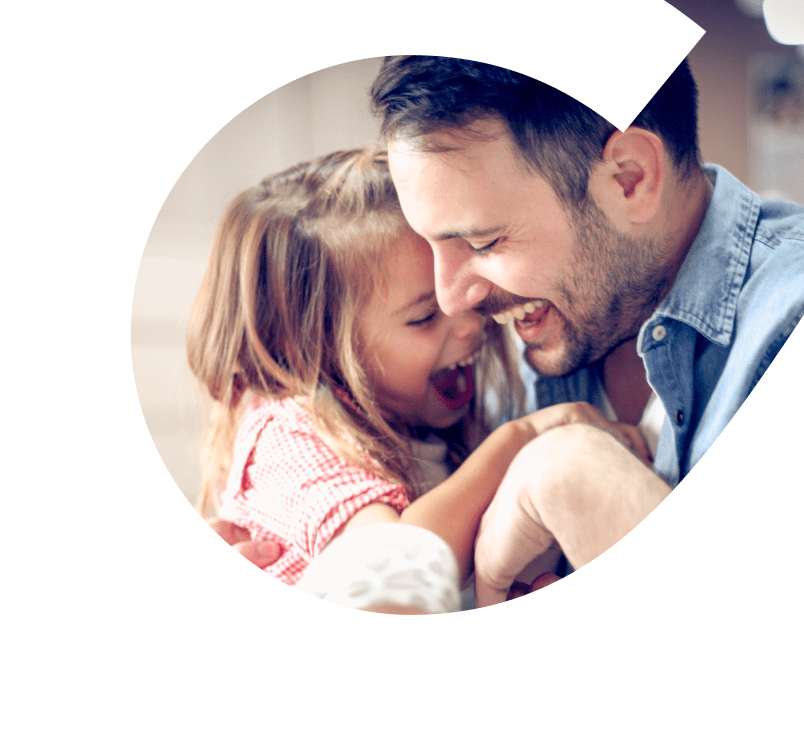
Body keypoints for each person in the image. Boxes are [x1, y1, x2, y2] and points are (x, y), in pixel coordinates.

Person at [367, 55, 804, 604]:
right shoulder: (511, 339)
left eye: (484, 243)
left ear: (629, 179)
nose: (453, 299)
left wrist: (566, 471)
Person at [187, 148, 647, 611]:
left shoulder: (434, 426)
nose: (470, 324)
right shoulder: (287, 435)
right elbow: (394, 567)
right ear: (312, 350)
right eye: (425, 316)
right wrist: (521, 440)